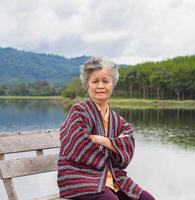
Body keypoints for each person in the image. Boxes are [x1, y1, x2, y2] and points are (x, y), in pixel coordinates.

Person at [57, 57, 155, 200]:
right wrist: (116, 145)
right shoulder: (79, 111)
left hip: (115, 179)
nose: (100, 86)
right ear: (87, 86)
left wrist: (104, 141)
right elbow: (78, 145)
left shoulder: (116, 120)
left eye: (105, 81)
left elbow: (129, 144)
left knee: (147, 199)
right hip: (81, 179)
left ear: (112, 85)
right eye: (95, 81)